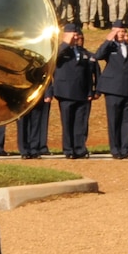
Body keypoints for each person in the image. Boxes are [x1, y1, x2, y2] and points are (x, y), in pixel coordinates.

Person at [92, 23, 128, 158]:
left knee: (127, 121)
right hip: (113, 89)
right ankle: (115, 149)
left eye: (123, 31)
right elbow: (98, 55)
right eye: (118, 31)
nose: (121, 33)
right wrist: (109, 39)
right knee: (114, 120)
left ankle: (125, 149)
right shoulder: (110, 47)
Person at [50, 25, 97, 158]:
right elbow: (53, 58)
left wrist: (89, 91)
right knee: (67, 122)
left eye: (76, 35)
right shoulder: (61, 50)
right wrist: (65, 43)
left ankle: (80, 148)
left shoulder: (82, 52)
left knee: (79, 123)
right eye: (73, 35)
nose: (75, 38)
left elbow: (87, 73)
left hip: (81, 92)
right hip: (65, 92)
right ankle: (68, 149)